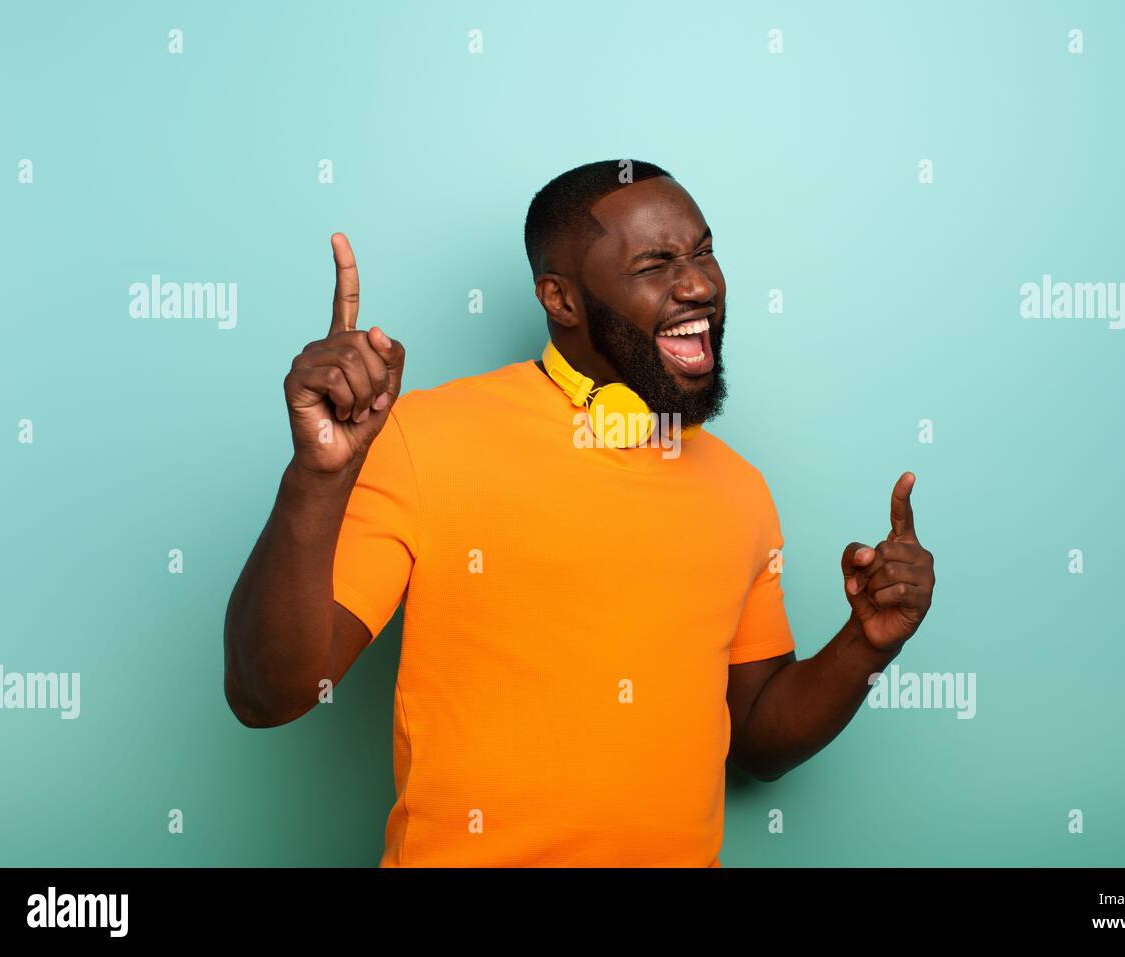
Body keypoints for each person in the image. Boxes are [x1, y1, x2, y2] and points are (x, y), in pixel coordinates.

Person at [223, 159, 936, 867]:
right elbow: (270, 693)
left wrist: (865, 645)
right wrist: (316, 478)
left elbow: (755, 738)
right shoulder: (423, 437)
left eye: (703, 252)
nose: (698, 284)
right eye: (656, 263)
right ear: (559, 299)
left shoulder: (741, 487)